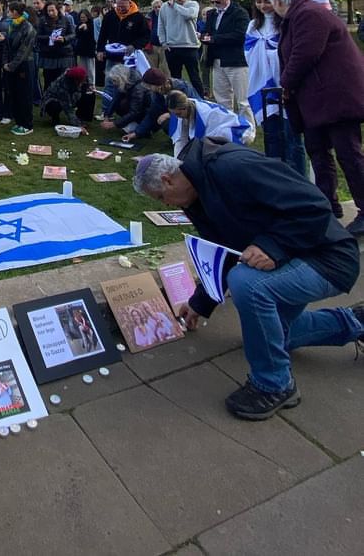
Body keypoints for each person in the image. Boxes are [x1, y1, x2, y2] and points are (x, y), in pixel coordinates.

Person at [133, 144, 363, 420]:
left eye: (160, 197)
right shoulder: (195, 197)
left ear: (168, 180)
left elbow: (314, 206)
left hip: (328, 257)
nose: (165, 205)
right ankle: (357, 322)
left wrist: (272, 247)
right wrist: (198, 303)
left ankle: (274, 385)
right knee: (272, 337)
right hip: (295, 257)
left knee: (246, 282)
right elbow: (222, 252)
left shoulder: (233, 168)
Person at [271, 0, 364, 236]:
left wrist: (286, 83)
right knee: (319, 153)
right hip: (319, 100)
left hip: (336, 99)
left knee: (349, 154)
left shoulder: (308, 15)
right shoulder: (303, 14)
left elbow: (304, 54)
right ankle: (327, 207)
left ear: (279, 1)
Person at [245, 0, 307, 178]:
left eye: (267, 1)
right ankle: (277, 178)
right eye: (259, 2)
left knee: (291, 136)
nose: (264, 6)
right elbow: (248, 51)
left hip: (285, 84)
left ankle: (297, 178)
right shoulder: (253, 25)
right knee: (271, 135)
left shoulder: (286, 24)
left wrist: (272, 54)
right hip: (262, 85)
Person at [201, 0, 249, 112]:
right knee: (222, 99)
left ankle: (249, 129)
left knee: (243, 100)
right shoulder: (212, 14)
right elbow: (206, 31)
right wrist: (203, 37)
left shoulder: (239, 13)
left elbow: (240, 35)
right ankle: (227, 127)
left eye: (217, 2)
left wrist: (214, 39)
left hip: (235, 60)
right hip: (217, 60)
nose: (214, 5)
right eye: (212, 2)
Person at [165, 89, 254, 156]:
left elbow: (204, 144)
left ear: (184, 108)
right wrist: (177, 163)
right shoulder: (184, 108)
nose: (177, 117)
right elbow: (180, 139)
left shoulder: (206, 115)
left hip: (238, 130)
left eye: (178, 114)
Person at [120, 67, 198, 143]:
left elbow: (193, 107)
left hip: (193, 118)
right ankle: (178, 138)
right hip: (179, 117)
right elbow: (152, 115)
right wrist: (135, 133)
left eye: (149, 86)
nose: (148, 88)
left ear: (157, 84)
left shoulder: (182, 87)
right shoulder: (157, 94)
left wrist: (169, 114)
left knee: (165, 119)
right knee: (162, 120)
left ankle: (189, 139)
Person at [158, 0, 205, 97]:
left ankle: (200, 99)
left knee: (194, 76)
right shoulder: (164, 7)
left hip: (190, 46)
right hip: (172, 47)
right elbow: (161, 25)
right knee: (175, 78)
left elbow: (190, 15)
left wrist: (175, 6)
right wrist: (163, 43)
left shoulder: (193, 4)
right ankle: (179, 100)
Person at [3, 1, 36, 136]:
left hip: (24, 66)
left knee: (24, 95)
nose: (8, 13)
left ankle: (27, 124)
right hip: (11, 65)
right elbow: (6, 45)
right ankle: (18, 121)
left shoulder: (28, 28)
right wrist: (5, 62)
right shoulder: (11, 26)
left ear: (15, 12)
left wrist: (12, 65)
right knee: (14, 93)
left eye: (9, 11)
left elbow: (24, 51)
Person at [96, 0, 150, 73]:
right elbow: (103, 34)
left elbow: (146, 36)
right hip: (112, 54)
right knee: (110, 78)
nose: (120, 9)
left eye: (123, 6)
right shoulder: (110, 16)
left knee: (128, 80)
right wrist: (100, 49)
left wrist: (134, 45)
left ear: (129, 3)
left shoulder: (138, 17)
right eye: (119, 6)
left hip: (129, 55)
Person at [100, 63, 150, 135]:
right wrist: (107, 115)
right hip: (136, 109)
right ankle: (130, 123)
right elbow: (115, 99)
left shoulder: (137, 88)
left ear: (121, 78)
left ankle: (142, 127)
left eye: (115, 81)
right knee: (120, 104)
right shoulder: (125, 82)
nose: (114, 83)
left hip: (145, 112)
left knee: (124, 104)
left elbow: (135, 111)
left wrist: (114, 124)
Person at [35, 1, 74, 90]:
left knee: (62, 80)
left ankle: (62, 101)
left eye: (53, 10)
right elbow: (37, 36)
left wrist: (64, 39)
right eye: (48, 11)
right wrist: (49, 38)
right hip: (48, 55)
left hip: (63, 54)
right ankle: (48, 101)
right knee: (48, 80)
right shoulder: (42, 20)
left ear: (57, 10)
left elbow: (73, 34)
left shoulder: (66, 19)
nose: (50, 13)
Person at [74, 7, 97, 84]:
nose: (82, 19)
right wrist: (80, 29)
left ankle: (91, 83)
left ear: (88, 16)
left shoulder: (92, 24)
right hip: (82, 50)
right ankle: (83, 82)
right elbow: (77, 35)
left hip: (90, 49)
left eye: (84, 17)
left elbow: (92, 36)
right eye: (81, 17)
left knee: (90, 68)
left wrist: (86, 29)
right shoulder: (79, 24)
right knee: (82, 67)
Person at [146, 0, 168, 73]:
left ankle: (166, 83)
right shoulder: (148, 18)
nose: (157, 9)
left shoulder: (167, 17)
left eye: (159, 7)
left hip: (165, 45)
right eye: (155, 7)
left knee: (165, 68)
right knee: (152, 68)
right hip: (152, 45)